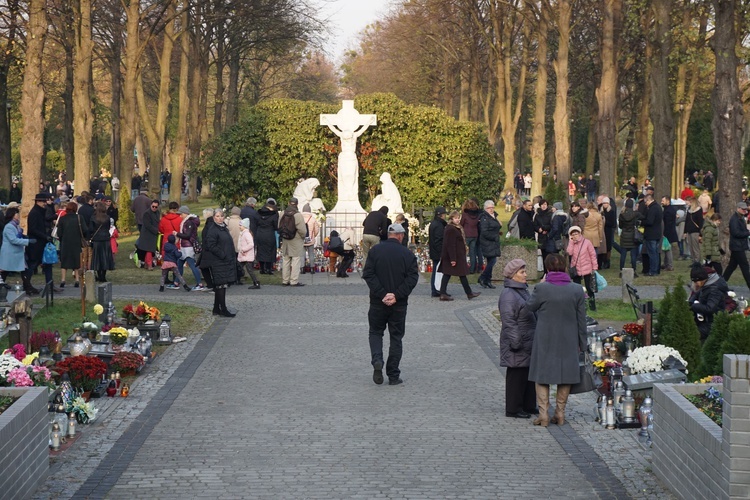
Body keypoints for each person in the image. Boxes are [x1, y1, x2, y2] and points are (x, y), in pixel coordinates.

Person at [526, 253, 587, 427]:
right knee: (565, 376)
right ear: (565, 267)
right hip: (569, 337)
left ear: (547, 269)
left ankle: (543, 414)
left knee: (542, 376)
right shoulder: (576, 289)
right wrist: (583, 344)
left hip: (545, 337)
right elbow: (582, 319)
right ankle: (560, 413)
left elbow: (529, 307)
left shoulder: (542, 288)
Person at [362, 223, 419, 386]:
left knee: (375, 332)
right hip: (399, 304)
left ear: (388, 234)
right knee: (396, 337)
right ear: (400, 236)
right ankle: (393, 375)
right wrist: (396, 295)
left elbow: (368, 274)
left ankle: (377, 360)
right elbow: (412, 278)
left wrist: (382, 294)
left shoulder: (375, 251)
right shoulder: (407, 254)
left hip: (377, 302)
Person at [498, 259, 537, 419]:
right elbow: (509, 320)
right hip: (518, 342)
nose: (525, 275)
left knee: (527, 374)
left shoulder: (521, 291)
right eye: (522, 272)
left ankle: (528, 405)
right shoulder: (509, 295)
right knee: (516, 376)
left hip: (527, 340)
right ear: (513, 275)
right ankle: (513, 409)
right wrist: (516, 341)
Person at [438, 210, 481, 301]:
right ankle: (468, 293)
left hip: (456, 255)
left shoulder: (455, 228)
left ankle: (444, 293)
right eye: (456, 218)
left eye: (458, 218)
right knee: (458, 274)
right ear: (451, 218)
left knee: (450, 274)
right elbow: (450, 244)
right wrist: (453, 259)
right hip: (454, 256)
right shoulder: (451, 229)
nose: (458, 220)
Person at [201, 208, 237, 317]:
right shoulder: (213, 229)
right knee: (221, 285)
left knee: (221, 285)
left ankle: (216, 308)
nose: (220, 218)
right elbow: (211, 245)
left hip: (226, 261)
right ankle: (223, 309)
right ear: (213, 217)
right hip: (218, 261)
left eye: (221, 216)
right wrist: (222, 254)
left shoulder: (223, 228)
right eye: (217, 216)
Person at [689, 264, 730, 342]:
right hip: (705, 320)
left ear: (702, 279)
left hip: (712, 322)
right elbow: (697, 294)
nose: (695, 283)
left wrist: (694, 306)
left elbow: (710, 308)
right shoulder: (706, 285)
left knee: (692, 335)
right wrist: (690, 302)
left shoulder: (714, 290)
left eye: (696, 281)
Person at [0, 207, 33, 290]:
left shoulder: (16, 225)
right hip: (10, 253)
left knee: (24, 270)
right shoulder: (9, 227)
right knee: (5, 271)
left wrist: (24, 237)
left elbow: (18, 236)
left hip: (15, 253)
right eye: (16, 213)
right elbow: (13, 240)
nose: (18, 215)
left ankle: (28, 287)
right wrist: (27, 241)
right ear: (12, 215)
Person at [567, 226, 598, 311]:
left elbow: (593, 255)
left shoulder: (587, 242)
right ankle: (579, 306)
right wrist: (571, 242)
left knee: (589, 288)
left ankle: (592, 306)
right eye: (573, 234)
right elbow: (569, 252)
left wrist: (594, 267)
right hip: (576, 269)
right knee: (577, 289)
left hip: (587, 268)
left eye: (576, 234)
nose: (575, 236)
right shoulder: (571, 243)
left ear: (580, 233)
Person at [278, 197, 306, 287]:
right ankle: (294, 281)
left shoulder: (282, 213)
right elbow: (302, 230)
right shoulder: (298, 215)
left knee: (286, 259)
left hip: (285, 239)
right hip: (296, 239)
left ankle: (285, 280)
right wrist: (302, 237)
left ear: (289, 203)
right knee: (295, 260)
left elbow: (279, 225)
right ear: (296, 204)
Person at [175, 205, 204, 291]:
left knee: (192, 265)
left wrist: (177, 234)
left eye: (181, 214)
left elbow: (187, 235)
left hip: (188, 247)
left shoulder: (189, 222)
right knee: (179, 264)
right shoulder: (188, 221)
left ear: (185, 213)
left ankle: (200, 283)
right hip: (184, 246)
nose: (180, 216)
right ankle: (176, 282)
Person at [723, 202, 750, 288]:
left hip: (738, 246)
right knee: (745, 266)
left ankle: (722, 281)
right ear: (738, 208)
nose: (744, 211)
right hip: (737, 246)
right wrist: (748, 233)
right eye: (743, 209)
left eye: (745, 209)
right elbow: (736, 233)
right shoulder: (734, 219)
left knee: (732, 266)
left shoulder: (740, 218)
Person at [56, 202, 83, 288]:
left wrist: (62, 239)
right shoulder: (79, 218)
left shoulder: (62, 219)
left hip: (65, 242)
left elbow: (59, 233)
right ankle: (77, 280)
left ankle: (63, 279)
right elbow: (85, 230)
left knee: (64, 261)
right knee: (76, 261)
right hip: (76, 242)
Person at [89, 201, 115, 283]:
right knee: (105, 258)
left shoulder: (93, 217)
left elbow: (91, 229)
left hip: (97, 240)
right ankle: (103, 276)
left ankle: (99, 275)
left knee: (97, 258)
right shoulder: (107, 218)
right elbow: (108, 228)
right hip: (105, 239)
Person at [478, 200, 501, 289]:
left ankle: (487, 280)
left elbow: (498, 225)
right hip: (487, 241)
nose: (491, 209)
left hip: (493, 242)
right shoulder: (484, 218)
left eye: (492, 207)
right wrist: (494, 237)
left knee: (491, 261)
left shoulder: (493, 216)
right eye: (489, 208)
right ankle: (483, 277)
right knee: (493, 260)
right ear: (485, 209)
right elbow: (484, 232)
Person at [618, 199, 642, 275]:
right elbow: (642, 218)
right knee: (633, 255)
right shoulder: (636, 214)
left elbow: (620, 226)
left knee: (623, 255)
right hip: (632, 235)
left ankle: (621, 270)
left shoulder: (622, 215)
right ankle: (634, 270)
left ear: (625, 205)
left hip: (624, 235)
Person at [255, 199, 279, 275]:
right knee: (270, 251)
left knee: (261, 250)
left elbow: (256, 222)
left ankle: (262, 268)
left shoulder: (259, 213)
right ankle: (268, 269)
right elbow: (276, 226)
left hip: (260, 233)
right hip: (269, 234)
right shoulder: (274, 214)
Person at [642, 194, 664, 276]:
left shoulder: (652, 208)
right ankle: (656, 270)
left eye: (645, 202)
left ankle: (653, 270)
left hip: (651, 234)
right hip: (657, 233)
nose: (645, 204)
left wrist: (642, 222)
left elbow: (650, 221)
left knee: (652, 254)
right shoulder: (658, 207)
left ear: (648, 200)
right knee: (656, 253)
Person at [428, 206, 447, 297]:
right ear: (441, 215)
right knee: (437, 271)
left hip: (434, 251)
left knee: (436, 270)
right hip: (438, 252)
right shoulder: (439, 225)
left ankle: (435, 289)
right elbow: (439, 240)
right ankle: (436, 289)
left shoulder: (434, 223)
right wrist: (442, 252)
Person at [137, 200, 161, 270]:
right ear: (150, 205)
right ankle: (149, 264)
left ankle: (147, 264)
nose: (154, 208)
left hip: (153, 233)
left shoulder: (157, 213)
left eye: (156, 207)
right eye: (153, 206)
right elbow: (147, 225)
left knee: (149, 250)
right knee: (149, 250)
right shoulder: (147, 213)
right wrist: (156, 230)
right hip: (147, 234)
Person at [237, 218, 260, 289]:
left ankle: (256, 283)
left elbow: (251, 244)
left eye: (240, 225)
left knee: (249, 270)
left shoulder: (246, 234)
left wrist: (243, 249)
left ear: (245, 226)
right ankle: (238, 279)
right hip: (244, 255)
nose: (239, 226)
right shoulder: (243, 233)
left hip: (247, 255)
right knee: (239, 267)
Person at [460, 199, 482, 274]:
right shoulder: (477, 214)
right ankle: (473, 269)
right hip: (475, 235)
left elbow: (461, 224)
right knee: (473, 253)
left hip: (466, 235)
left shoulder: (465, 214)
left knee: (464, 252)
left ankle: (463, 267)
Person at [582, 202, 604, 268]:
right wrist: (600, 237)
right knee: (594, 252)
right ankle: (594, 266)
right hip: (595, 235)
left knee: (585, 252)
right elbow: (600, 228)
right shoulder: (598, 215)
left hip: (586, 234)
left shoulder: (584, 215)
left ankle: (586, 266)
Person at [684, 196, 703, 263]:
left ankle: (697, 261)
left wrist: (700, 234)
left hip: (695, 231)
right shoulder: (689, 211)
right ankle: (693, 261)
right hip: (689, 231)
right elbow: (687, 221)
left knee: (695, 247)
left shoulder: (698, 210)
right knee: (691, 247)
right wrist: (685, 232)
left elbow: (700, 222)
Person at [661, 196, 678, 271]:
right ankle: (666, 263)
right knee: (666, 248)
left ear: (667, 201)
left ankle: (669, 265)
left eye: (663, 201)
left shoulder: (668, 211)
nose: (661, 202)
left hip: (668, 232)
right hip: (670, 231)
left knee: (667, 249)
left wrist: (664, 233)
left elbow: (667, 223)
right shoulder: (669, 209)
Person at [533, 199, 552, 265]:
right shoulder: (537, 215)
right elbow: (534, 225)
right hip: (541, 237)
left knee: (550, 256)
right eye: (542, 204)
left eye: (545, 204)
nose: (544, 206)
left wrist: (545, 229)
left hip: (549, 236)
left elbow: (552, 225)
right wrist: (539, 229)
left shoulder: (550, 214)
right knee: (544, 255)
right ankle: (545, 272)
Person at [301, 204, 320, 272]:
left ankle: (302, 268)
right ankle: (312, 268)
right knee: (311, 254)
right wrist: (313, 235)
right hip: (310, 239)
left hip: (301, 239)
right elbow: (317, 229)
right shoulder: (312, 219)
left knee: (302, 254)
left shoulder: (300, 218)